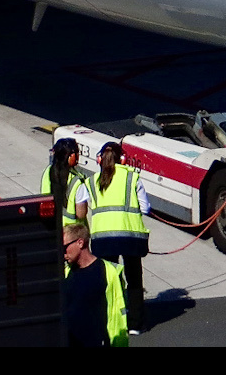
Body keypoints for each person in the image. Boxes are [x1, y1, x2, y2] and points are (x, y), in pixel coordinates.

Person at [75, 140, 150, 333]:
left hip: (103, 239)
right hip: (130, 236)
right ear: (123, 159)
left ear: (99, 159)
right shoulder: (132, 178)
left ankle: (111, 320)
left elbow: (81, 209)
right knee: (134, 279)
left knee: (108, 281)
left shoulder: (91, 181)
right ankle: (134, 324)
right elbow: (146, 208)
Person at [62, 223, 128, 347]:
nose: (63, 253)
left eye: (65, 247)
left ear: (80, 243)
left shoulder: (109, 272)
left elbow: (117, 315)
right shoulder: (65, 272)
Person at [41, 138, 89, 225]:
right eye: (77, 152)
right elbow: (81, 214)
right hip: (73, 231)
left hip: (52, 226)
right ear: (71, 156)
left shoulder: (48, 171)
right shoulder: (76, 181)